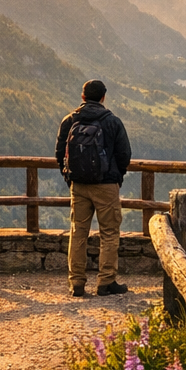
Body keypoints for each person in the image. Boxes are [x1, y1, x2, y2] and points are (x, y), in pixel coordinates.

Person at [56, 79, 132, 297]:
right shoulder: (112, 122)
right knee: (109, 233)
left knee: (78, 231)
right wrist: (116, 178)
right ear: (103, 97)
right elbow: (124, 154)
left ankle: (77, 283)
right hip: (106, 185)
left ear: (83, 97)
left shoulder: (69, 121)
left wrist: (69, 177)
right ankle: (106, 282)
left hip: (78, 185)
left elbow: (59, 154)